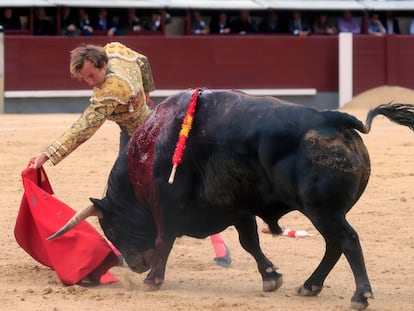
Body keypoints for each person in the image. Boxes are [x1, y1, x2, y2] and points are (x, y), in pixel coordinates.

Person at [28, 41, 231, 268]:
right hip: (141, 128)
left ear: (103, 65)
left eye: (91, 76)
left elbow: (84, 127)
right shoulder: (116, 51)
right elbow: (142, 60)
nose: (89, 83)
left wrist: (49, 154)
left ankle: (219, 245)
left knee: (170, 193)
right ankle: (123, 247)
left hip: (145, 138)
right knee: (130, 189)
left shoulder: (112, 90)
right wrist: (146, 91)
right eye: (84, 79)